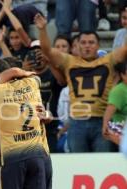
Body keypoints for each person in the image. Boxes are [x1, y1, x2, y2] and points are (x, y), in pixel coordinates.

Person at [35, 13, 125, 152]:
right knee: (79, 164)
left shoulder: (108, 60)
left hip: (101, 120)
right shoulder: (69, 61)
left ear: (98, 45)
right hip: (77, 122)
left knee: (103, 164)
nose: (87, 46)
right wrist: (42, 29)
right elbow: (47, 50)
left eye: (91, 43)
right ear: (77, 45)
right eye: (83, 43)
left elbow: (125, 48)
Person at [102, 63, 127, 145]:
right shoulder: (119, 90)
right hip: (120, 128)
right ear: (122, 75)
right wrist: (105, 126)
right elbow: (110, 109)